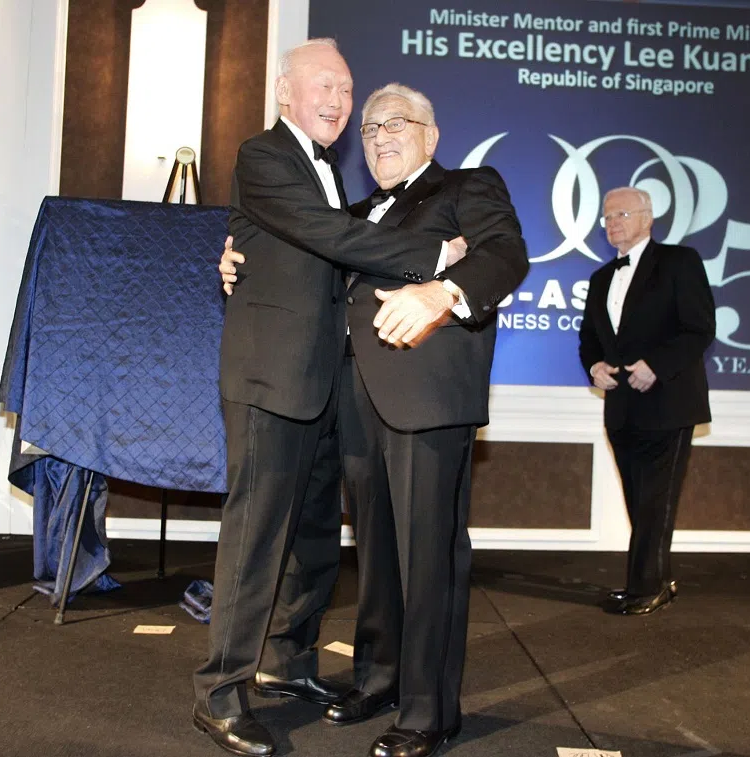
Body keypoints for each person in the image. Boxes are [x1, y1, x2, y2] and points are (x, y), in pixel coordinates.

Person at [222, 83, 528, 757]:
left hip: (428, 397)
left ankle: (429, 710)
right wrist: (232, 256)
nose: (379, 135)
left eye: (396, 123)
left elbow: (507, 255)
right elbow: (302, 258)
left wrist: (441, 292)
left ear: (431, 134)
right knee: (380, 552)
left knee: (428, 553)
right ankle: (380, 676)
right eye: (368, 129)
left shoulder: (469, 187)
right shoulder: (354, 212)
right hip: (353, 401)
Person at [194, 40, 465, 757]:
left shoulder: (329, 178)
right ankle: (220, 692)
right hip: (269, 380)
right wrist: (434, 260)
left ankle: (289, 663)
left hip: (321, 388)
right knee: (256, 539)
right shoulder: (264, 155)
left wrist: (233, 254)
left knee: (313, 542)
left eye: (347, 89)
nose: (339, 101)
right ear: (285, 92)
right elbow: (325, 236)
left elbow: (309, 259)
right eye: (324, 85)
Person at [578, 187, 715, 616]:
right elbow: (588, 340)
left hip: (669, 402)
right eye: (607, 217)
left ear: (647, 218)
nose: (613, 223)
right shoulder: (602, 277)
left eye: (621, 213)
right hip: (621, 409)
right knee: (640, 499)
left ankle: (645, 588)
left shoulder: (679, 262)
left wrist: (655, 364)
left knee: (656, 499)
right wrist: (595, 366)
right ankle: (657, 578)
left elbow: (699, 328)